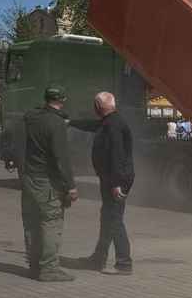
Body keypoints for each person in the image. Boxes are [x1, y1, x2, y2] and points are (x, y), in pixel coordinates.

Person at [70, 92, 135, 274]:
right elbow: (92, 125)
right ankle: (98, 259)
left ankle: (124, 263)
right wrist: (71, 122)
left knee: (114, 219)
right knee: (108, 218)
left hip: (116, 181)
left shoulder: (113, 125)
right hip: (112, 179)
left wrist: (116, 184)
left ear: (98, 107)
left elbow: (117, 155)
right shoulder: (109, 122)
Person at [21, 86, 79, 282]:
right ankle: (49, 269)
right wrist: (71, 186)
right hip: (47, 181)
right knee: (51, 222)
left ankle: (34, 266)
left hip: (29, 178)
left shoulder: (30, 118)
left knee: (31, 222)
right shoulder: (56, 123)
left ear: (45, 98)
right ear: (62, 100)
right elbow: (61, 158)